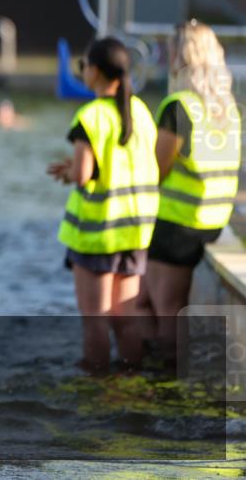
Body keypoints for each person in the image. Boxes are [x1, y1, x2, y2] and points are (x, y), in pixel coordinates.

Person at [47, 37, 159, 374]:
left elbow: (84, 174)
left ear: (94, 71)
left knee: (94, 321)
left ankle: (95, 386)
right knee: (124, 319)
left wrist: (70, 172)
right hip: (135, 232)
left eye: (84, 67)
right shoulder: (140, 111)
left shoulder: (91, 115)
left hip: (97, 235)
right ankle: (131, 379)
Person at [144, 20, 240, 362]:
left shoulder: (178, 106)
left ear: (180, 56)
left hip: (177, 224)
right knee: (155, 300)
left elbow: (158, 167)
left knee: (167, 307)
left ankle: (166, 378)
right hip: (214, 220)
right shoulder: (227, 108)